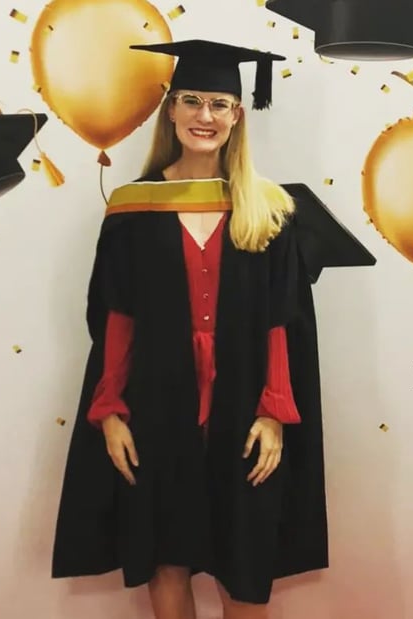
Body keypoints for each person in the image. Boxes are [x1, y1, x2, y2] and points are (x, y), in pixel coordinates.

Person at [52, 39, 329, 619]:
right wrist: (110, 411)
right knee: (165, 559)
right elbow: (117, 317)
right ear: (171, 110)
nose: (206, 116)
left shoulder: (268, 209)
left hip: (244, 409)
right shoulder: (134, 209)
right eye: (193, 101)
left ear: (238, 115)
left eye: (219, 104)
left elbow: (282, 321)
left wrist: (275, 412)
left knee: (245, 565)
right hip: (157, 405)